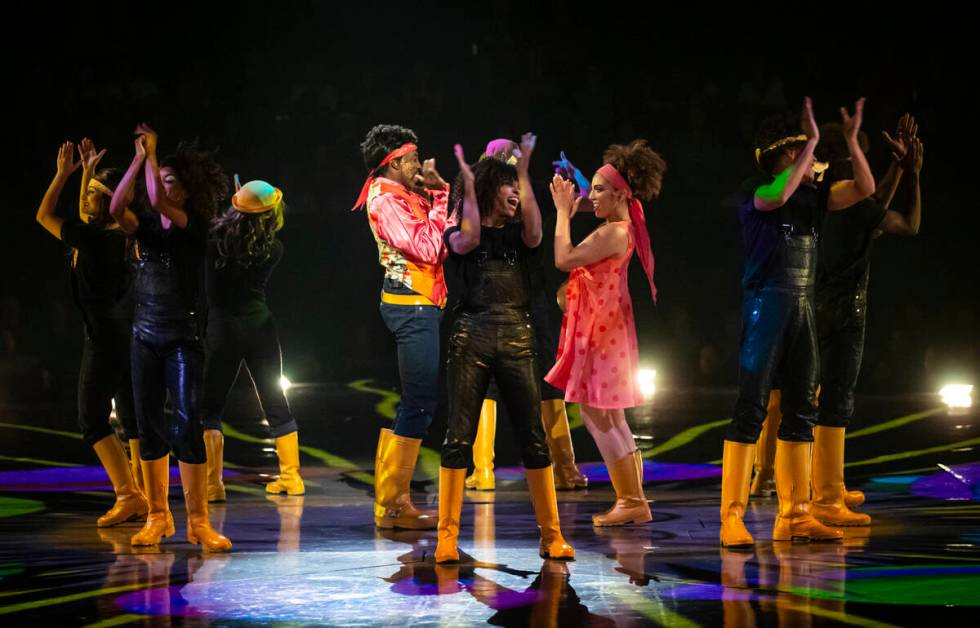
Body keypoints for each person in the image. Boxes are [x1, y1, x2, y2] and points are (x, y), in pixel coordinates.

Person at [720, 98, 874, 547]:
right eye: (807, 155)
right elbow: (776, 196)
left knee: (802, 408)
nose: (819, 163)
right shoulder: (757, 188)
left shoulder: (813, 198)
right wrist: (809, 145)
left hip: (803, 310)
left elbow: (864, 188)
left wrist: (849, 140)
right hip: (764, 307)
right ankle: (733, 516)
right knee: (751, 408)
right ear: (785, 156)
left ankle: (795, 515)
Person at [436, 138, 574, 563]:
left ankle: (551, 535)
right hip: (470, 336)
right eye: (509, 187)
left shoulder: (521, 234)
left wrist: (526, 170)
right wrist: (470, 183)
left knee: (533, 437)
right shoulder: (457, 232)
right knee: (458, 438)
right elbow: (472, 235)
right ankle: (447, 536)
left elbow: (535, 229)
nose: (516, 194)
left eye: (520, 187)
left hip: (518, 336)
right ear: (489, 188)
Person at [110, 124, 232, 551]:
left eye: (171, 179)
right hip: (143, 334)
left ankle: (198, 522)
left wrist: (154, 155)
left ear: (185, 190)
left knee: (187, 424)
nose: (163, 185)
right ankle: (159, 517)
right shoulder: (144, 225)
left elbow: (159, 198)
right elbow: (115, 205)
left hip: (182, 336)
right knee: (147, 425)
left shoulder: (193, 223)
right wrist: (138, 160)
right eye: (161, 179)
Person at [546, 139, 665, 526]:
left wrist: (563, 213)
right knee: (610, 418)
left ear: (619, 194)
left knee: (599, 416)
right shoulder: (622, 223)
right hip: (605, 326)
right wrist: (579, 186)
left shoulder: (614, 232)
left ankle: (631, 500)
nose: (589, 196)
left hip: (601, 330)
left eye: (599, 190)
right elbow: (591, 197)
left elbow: (563, 258)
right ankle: (633, 498)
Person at [35, 139, 145, 527]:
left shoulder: (93, 239)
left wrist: (63, 173)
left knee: (91, 419)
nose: (86, 201)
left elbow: (44, 214)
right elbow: (86, 211)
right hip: (124, 333)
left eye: (93, 194)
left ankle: (129, 494)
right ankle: (142, 494)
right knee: (131, 416)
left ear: (103, 203)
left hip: (104, 336)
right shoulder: (117, 235)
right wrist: (85, 173)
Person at [354, 124, 450, 529]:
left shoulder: (401, 193)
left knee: (419, 401)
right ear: (394, 163)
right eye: (412, 158)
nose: (418, 163)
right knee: (419, 402)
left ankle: (390, 501)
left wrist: (436, 192)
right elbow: (429, 247)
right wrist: (443, 199)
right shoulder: (387, 202)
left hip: (421, 303)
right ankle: (393, 505)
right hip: (411, 306)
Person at [202, 178, 304, 501]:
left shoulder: (212, 241)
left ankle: (212, 485)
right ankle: (291, 477)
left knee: (210, 408)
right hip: (260, 327)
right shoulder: (275, 247)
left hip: (223, 330)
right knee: (275, 402)